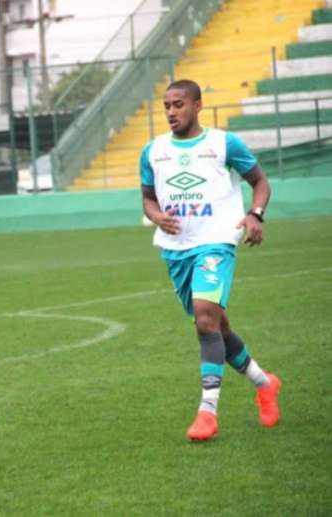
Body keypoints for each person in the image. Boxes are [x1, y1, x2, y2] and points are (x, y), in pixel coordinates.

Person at [140, 79, 281, 441]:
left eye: (179, 104)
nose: (171, 111)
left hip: (217, 241)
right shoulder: (153, 151)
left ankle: (207, 413)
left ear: (198, 105)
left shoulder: (223, 143)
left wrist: (256, 215)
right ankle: (264, 384)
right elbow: (148, 198)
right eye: (167, 105)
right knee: (216, 326)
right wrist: (156, 216)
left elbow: (260, 181)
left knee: (204, 319)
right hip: (176, 249)